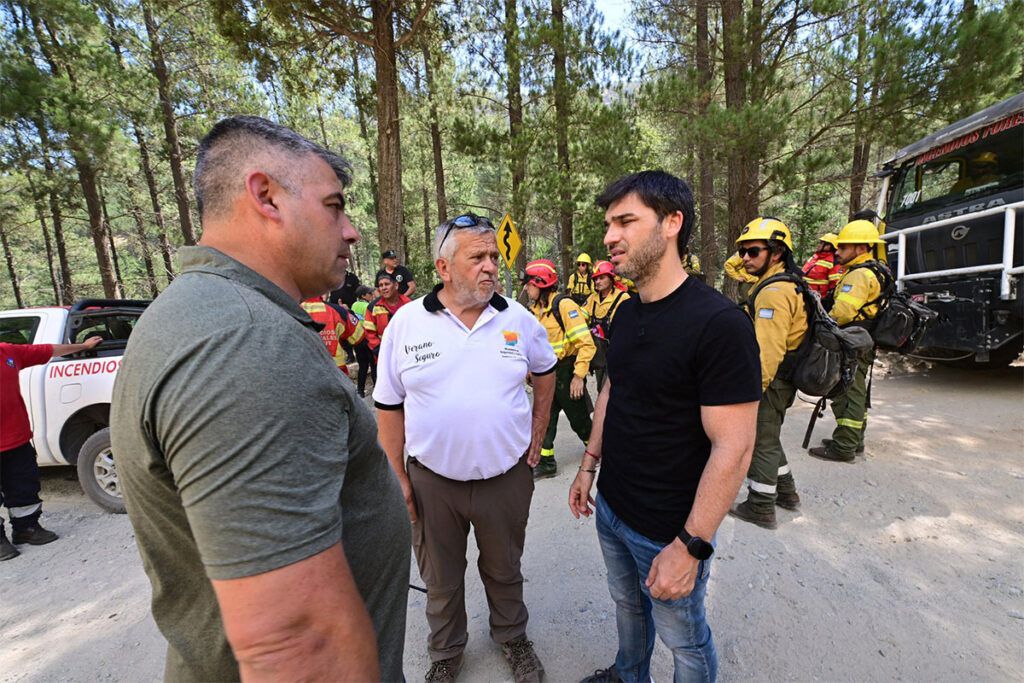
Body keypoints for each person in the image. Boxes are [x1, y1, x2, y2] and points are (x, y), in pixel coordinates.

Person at [110, 116, 410, 681]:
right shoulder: (247, 342)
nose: (351, 232)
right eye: (334, 207)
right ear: (266, 196)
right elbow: (299, 643)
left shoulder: (206, 312)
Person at [568, 170, 760, 683]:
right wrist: (589, 465)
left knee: (685, 641)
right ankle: (629, 675)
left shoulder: (719, 325)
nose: (610, 237)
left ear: (672, 222)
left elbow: (735, 448)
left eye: (625, 221)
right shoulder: (627, 313)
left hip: (669, 530)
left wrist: (691, 546)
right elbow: (613, 390)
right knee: (628, 608)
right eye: (608, 224)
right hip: (612, 507)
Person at [374, 213, 557, 683]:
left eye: (493, 255)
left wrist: (539, 429)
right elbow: (388, 406)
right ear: (444, 267)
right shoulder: (406, 324)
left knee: (504, 567)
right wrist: (397, 476)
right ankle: (446, 650)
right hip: (432, 481)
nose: (491, 266)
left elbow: (545, 369)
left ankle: (512, 637)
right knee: (440, 577)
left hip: (505, 477)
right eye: (477, 257)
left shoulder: (517, 318)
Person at [728, 218, 808, 530]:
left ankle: (760, 505)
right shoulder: (783, 281)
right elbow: (734, 267)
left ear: (776, 253)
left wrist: (752, 391)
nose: (745, 258)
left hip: (772, 380)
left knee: (760, 439)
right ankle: (786, 492)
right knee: (769, 435)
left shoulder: (774, 293)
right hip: (783, 378)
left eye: (753, 252)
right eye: (742, 251)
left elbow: (768, 351)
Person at [1, 335, 103, 561]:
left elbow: (48, 350)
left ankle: (26, 528)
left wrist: (83, 346)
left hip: (17, 440)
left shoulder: (8, 352)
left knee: (24, 487)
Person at [808, 219, 887, 464]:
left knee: (848, 391)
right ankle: (854, 439)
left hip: (852, 340)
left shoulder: (860, 275)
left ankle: (844, 446)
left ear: (861, 248)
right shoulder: (876, 269)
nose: (837, 252)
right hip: (862, 339)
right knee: (857, 389)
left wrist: (821, 326)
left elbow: (842, 312)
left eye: (843, 247)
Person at [523, 258, 596, 480]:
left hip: (566, 370)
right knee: (544, 417)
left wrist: (578, 376)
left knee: (579, 419)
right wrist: (530, 369)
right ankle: (545, 462)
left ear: (541, 283)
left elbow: (587, 344)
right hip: (546, 373)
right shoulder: (535, 310)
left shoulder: (564, 306)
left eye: (529, 284)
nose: (526, 288)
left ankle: (597, 449)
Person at [584, 260, 630, 392]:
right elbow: (581, 317)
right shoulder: (592, 299)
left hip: (617, 352)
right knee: (601, 388)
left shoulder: (623, 297)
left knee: (612, 389)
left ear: (611, 278)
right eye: (595, 279)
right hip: (599, 355)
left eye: (602, 278)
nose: (597, 281)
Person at [300, 294, 365, 376]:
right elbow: (359, 337)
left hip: (301, 371)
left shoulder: (290, 310)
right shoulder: (337, 310)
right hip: (335, 371)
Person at [363, 272, 412, 355]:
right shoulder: (373, 307)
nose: (383, 288)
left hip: (409, 351)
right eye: (381, 285)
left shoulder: (409, 304)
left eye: (387, 284)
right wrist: (380, 351)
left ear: (396, 285)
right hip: (384, 353)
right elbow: (369, 333)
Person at [350, 286, 377, 397]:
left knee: (363, 366)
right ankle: (377, 389)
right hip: (368, 339)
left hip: (358, 339)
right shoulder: (368, 306)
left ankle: (360, 390)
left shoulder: (354, 305)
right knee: (374, 364)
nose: (372, 295)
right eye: (369, 294)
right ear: (363, 296)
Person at [801, 232, 843, 297]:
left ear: (828, 246)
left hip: (818, 298)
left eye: (821, 243)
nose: (819, 245)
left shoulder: (833, 262)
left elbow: (834, 284)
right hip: (804, 292)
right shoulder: (815, 256)